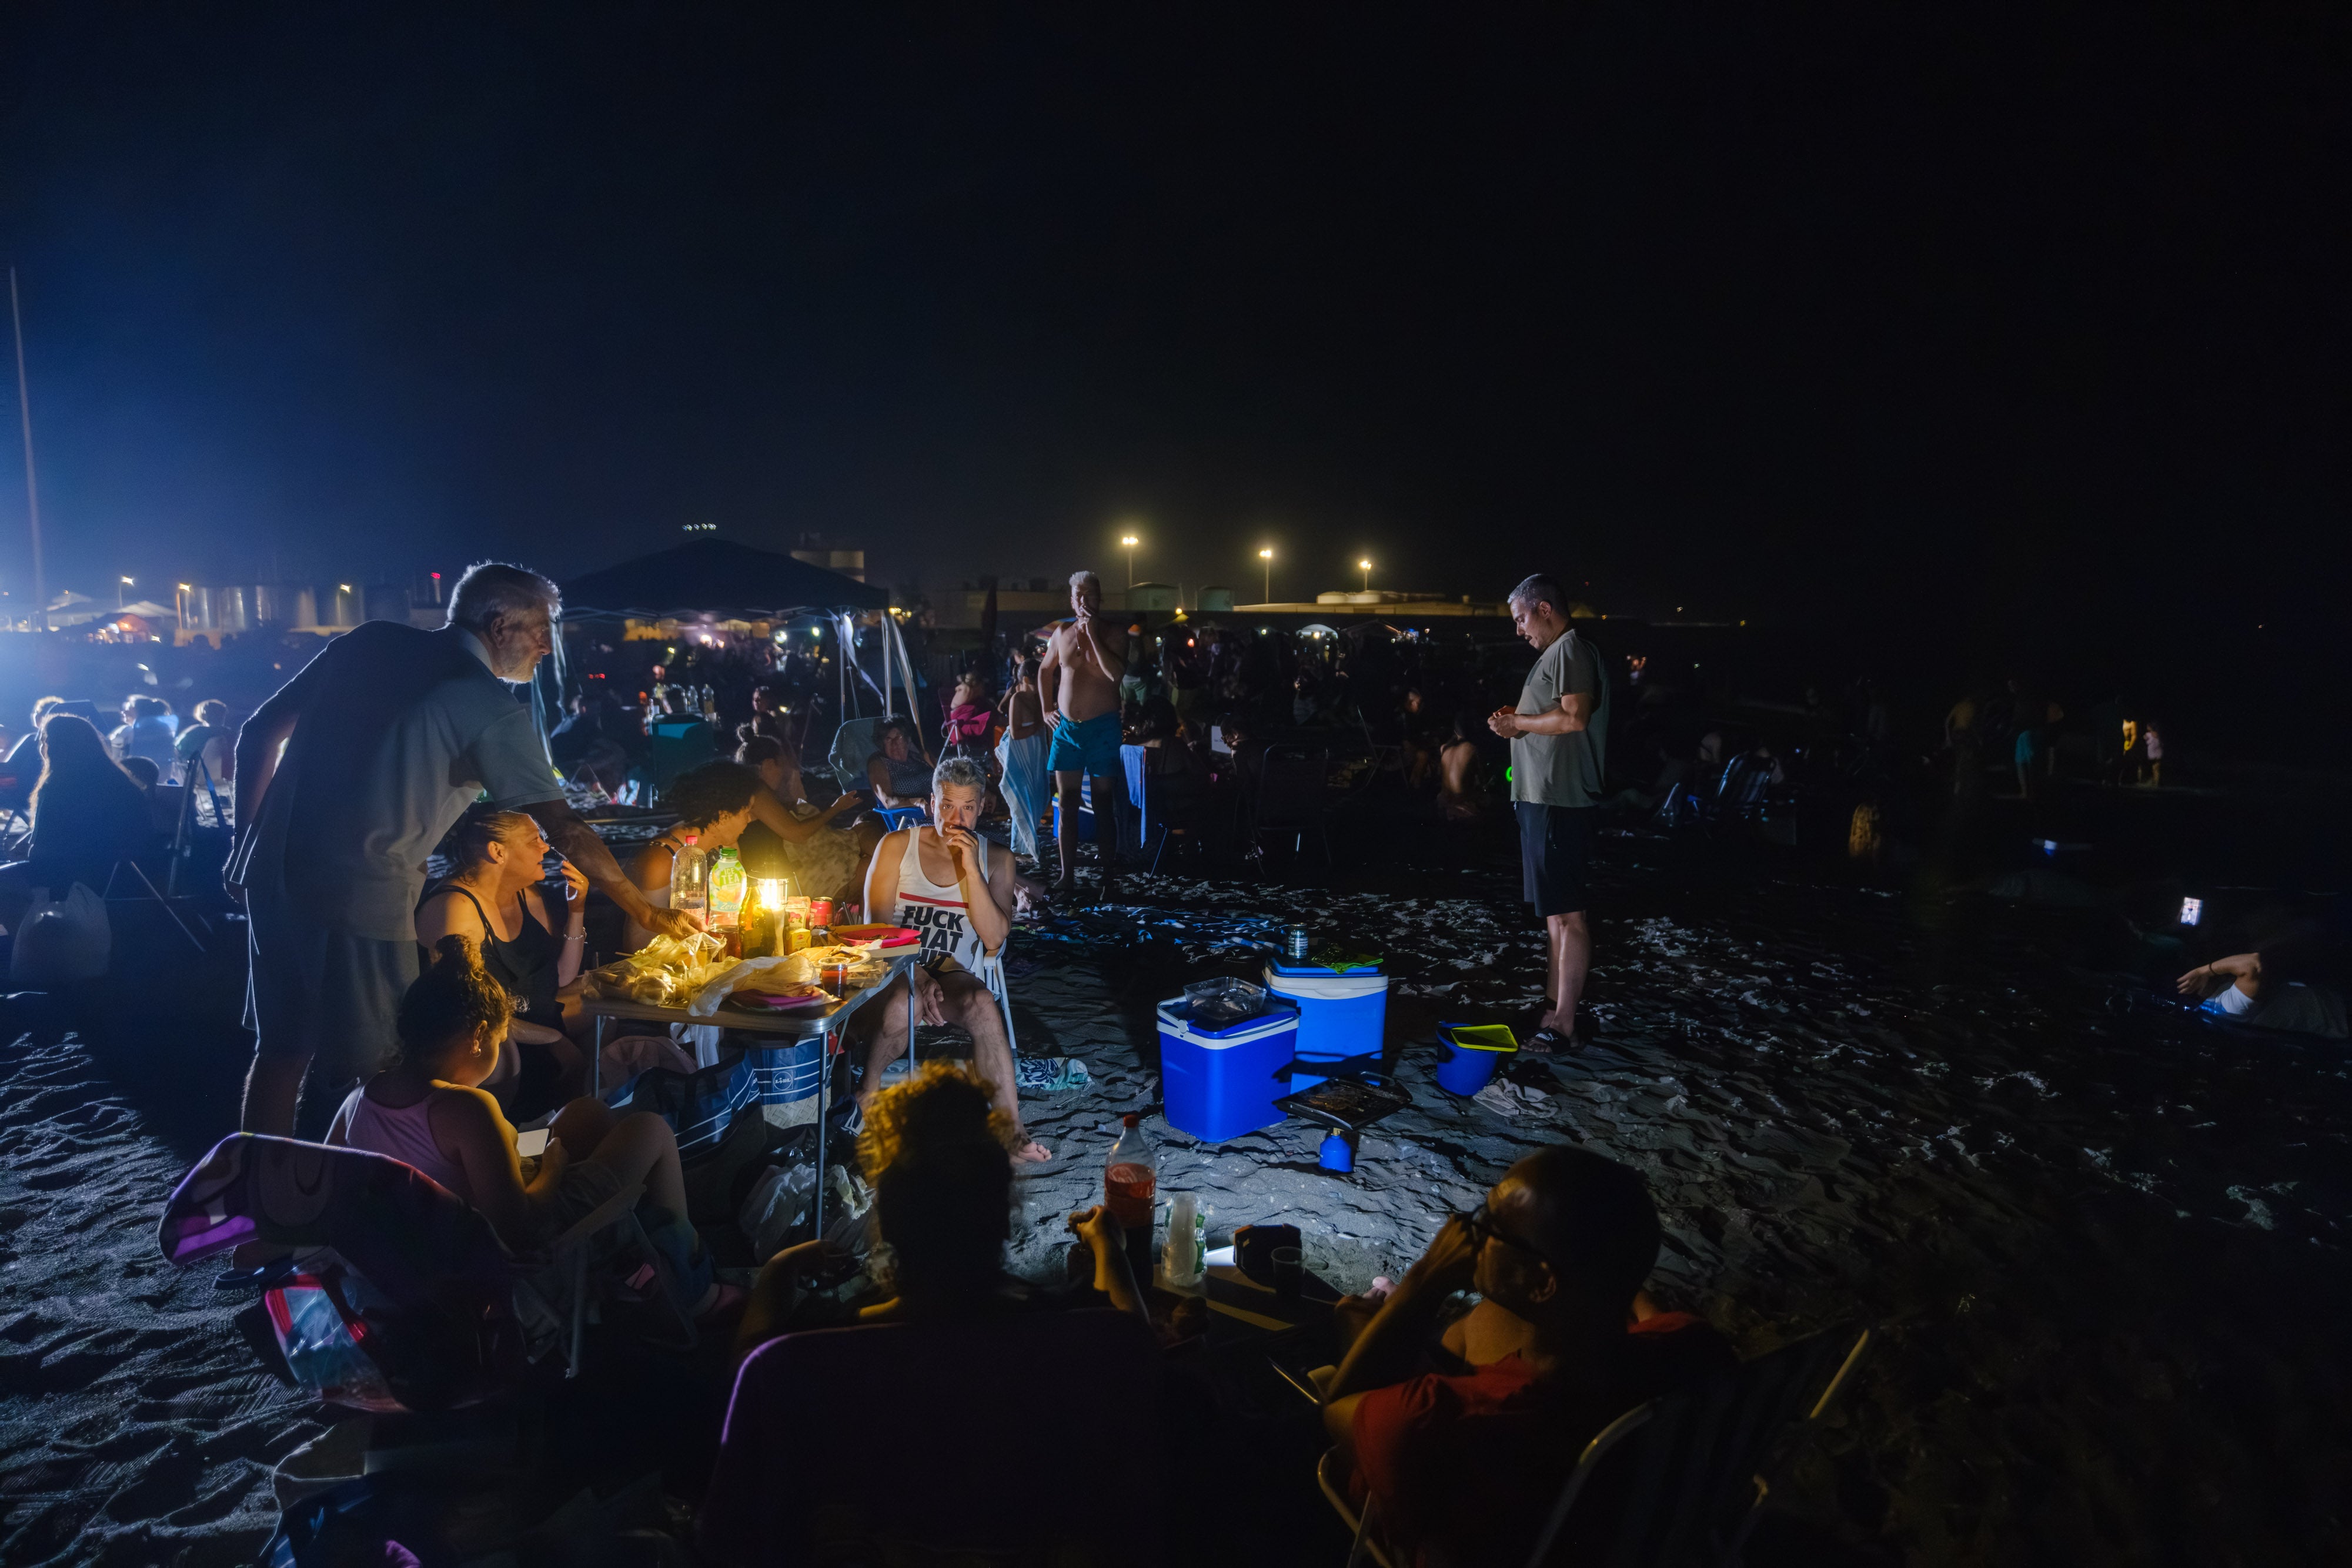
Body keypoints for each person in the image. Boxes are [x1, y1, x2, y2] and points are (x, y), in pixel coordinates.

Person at [229, 560, 699, 1138]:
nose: (548, 648)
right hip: (365, 893)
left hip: (270, 875)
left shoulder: (368, 642)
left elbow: (257, 733)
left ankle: (259, 1197)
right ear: (499, 624)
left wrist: (242, 846)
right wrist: (646, 911)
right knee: (392, 1068)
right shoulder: (485, 703)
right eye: (542, 629)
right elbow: (568, 831)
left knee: (281, 1052)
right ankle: (368, 1200)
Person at [1321, 1146, 1736, 1567]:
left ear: (1541, 1281)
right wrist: (1596, 1281)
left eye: (1490, 1225)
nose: (1468, 1233)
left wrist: (1423, 1282)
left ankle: (1389, 1320)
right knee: (1487, 1316)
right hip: (1610, 1518)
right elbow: (1641, 1305)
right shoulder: (1694, 1345)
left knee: (1352, 1318)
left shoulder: (1432, 1417)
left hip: (1452, 1512)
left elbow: (1336, 1407)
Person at [327, 935, 734, 1317]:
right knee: (650, 1129)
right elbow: (521, 1227)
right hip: (506, 1261)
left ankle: (632, 1259)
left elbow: (338, 1189)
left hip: (425, 1246)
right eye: (501, 1039)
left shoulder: (359, 1098)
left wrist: (538, 1144)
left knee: (585, 1113)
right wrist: (554, 1164)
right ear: (478, 1037)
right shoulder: (467, 1106)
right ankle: (693, 1289)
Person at [857, 756, 1048, 1162]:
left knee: (982, 1005)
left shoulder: (997, 860)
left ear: (982, 808)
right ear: (930, 803)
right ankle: (869, 1092)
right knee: (901, 1003)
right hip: (895, 963)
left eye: (966, 808)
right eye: (946, 806)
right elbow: (874, 927)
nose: (955, 819)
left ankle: (1012, 1130)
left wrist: (972, 871)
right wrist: (915, 973)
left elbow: (995, 938)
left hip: (952, 970)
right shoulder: (896, 847)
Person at [1488, 575, 1610, 1054]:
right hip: (1542, 799)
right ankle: (1553, 1008)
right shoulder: (1557, 653)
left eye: (1521, 619)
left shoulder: (1571, 648)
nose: (1519, 630)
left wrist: (1517, 721)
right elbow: (1553, 716)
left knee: (1569, 916)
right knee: (1555, 916)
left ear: (1542, 608)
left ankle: (1565, 1022)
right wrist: (1517, 721)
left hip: (1562, 800)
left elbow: (1575, 716)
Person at [416, 808, 591, 1116]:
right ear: (498, 851)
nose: (546, 847)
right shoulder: (454, 908)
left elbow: (561, 977)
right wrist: (554, 1038)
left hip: (541, 1033)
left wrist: (577, 911)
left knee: (615, 1020)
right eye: (533, 839)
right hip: (493, 1053)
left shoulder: (527, 895)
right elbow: (465, 1009)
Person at [0, 713, 154, 932]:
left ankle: (28, 941)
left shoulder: (56, 785)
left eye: (46, 740)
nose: (43, 747)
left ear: (56, 746)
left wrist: (20, 852)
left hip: (70, 876)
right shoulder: (117, 779)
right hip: (119, 874)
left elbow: (41, 851)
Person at [1038, 570, 1127, 900]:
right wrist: (1046, 708)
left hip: (1103, 727)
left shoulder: (1115, 633)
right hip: (1067, 731)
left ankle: (1107, 874)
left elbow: (1115, 675)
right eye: (1077, 595)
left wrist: (1092, 637)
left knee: (1104, 803)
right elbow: (1045, 669)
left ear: (1099, 597)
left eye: (1088, 594)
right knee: (1067, 803)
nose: (1082, 601)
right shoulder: (1061, 633)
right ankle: (1067, 874)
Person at [624, 760, 763, 947]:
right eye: (746, 811)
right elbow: (639, 943)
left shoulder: (722, 849)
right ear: (723, 817)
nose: (749, 819)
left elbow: (735, 910)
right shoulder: (661, 859)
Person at [731, 734, 868, 902]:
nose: (783, 773)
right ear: (768, 764)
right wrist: (836, 808)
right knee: (871, 867)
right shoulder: (756, 792)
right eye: (781, 765)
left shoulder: (758, 792)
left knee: (868, 844)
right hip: (773, 882)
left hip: (778, 877)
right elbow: (797, 834)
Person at [994, 650, 1048, 862]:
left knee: (1036, 796)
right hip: (1021, 754)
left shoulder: (1038, 698)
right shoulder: (1018, 697)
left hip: (1035, 754)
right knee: (1022, 798)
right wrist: (1038, 726)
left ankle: (1025, 844)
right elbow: (1016, 732)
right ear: (1027, 679)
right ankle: (1019, 848)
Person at [0, 697, 63, 814]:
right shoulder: (69, 743)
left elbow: (9, 767)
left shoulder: (33, 740)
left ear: (41, 717)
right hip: (49, 796)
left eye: (36, 712)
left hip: (23, 794)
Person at [864, 719, 936, 809]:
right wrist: (918, 803)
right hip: (912, 818)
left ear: (907, 740)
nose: (894, 744)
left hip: (943, 810)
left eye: (899, 737)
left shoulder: (917, 757)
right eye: (888, 739)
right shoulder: (879, 763)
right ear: (882, 744)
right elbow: (888, 801)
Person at [112, 695, 180, 783]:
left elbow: (112, 753)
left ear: (138, 711)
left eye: (129, 708)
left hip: (134, 778)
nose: (124, 712)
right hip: (162, 778)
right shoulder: (166, 730)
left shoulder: (128, 732)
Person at [172, 699, 236, 790]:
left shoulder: (193, 734)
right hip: (229, 780)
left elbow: (177, 753)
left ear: (204, 714)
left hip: (197, 780)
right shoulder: (232, 734)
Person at [941, 671, 993, 761]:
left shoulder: (970, 693)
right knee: (989, 721)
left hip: (965, 720)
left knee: (990, 717)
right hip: (960, 724)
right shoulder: (966, 690)